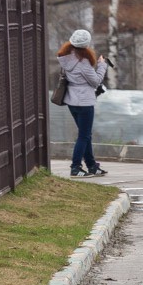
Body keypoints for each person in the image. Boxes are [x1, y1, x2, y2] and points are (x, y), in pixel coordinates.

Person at [57, 29, 109, 177]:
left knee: (85, 135)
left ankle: (92, 166)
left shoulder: (65, 58)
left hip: (72, 101)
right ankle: (75, 167)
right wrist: (102, 66)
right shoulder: (83, 62)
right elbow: (96, 81)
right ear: (86, 45)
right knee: (84, 136)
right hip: (84, 102)